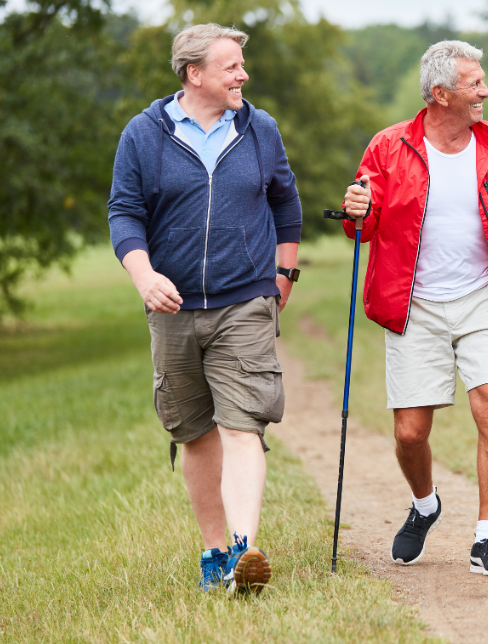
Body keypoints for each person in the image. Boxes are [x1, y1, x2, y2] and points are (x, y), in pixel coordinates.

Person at [107, 24, 302, 593]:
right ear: (195, 74)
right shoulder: (144, 135)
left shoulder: (259, 128)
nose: (244, 75)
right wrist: (144, 276)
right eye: (232, 66)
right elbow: (124, 213)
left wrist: (282, 276)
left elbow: (285, 202)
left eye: (242, 65)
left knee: (244, 426)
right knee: (194, 433)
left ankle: (245, 550)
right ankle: (214, 553)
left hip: (244, 300)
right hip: (172, 309)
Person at [340, 40, 488, 576]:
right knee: (410, 434)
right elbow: (364, 225)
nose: (485, 91)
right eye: (475, 84)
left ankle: (487, 537)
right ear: (440, 94)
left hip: (480, 297)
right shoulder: (387, 147)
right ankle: (425, 504)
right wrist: (358, 208)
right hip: (412, 303)